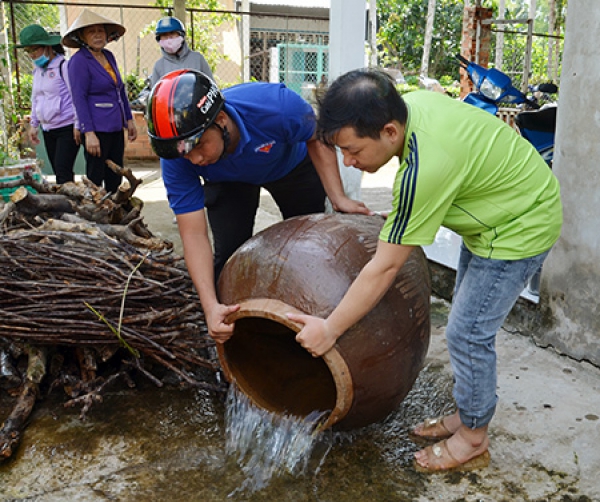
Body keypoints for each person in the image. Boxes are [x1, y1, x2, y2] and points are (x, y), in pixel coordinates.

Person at [287, 69, 563, 473]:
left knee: (468, 333)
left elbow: (385, 268)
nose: (348, 161)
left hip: (519, 225)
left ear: (389, 131)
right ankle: (468, 414)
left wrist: (329, 329)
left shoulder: (424, 166)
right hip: (501, 207)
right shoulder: (410, 105)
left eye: (352, 150)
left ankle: (472, 436)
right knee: (467, 324)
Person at [146, 69, 370, 342]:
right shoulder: (177, 156)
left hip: (290, 167)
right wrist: (209, 307)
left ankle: (315, 317)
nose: (193, 159)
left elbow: (316, 136)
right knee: (228, 254)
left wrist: (338, 197)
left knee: (308, 247)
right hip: (227, 180)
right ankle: (234, 330)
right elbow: (193, 234)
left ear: (220, 119)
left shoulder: (277, 106)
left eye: (199, 145)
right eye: (183, 152)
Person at [61, 9, 137, 193]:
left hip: (115, 126)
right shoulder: (79, 61)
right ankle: (97, 217)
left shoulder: (109, 56)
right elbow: (79, 97)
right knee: (96, 177)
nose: (97, 35)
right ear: (82, 36)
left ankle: (115, 215)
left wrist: (129, 119)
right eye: (91, 31)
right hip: (97, 128)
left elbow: (120, 89)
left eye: (100, 31)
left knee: (115, 175)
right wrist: (89, 133)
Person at [16, 24, 80, 184]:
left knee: (62, 170)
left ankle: (67, 207)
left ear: (47, 47)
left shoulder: (63, 66)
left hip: (67, 127)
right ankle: (69, 204)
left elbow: (76, 97)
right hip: (48, 129)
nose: (31, 55)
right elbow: (35, 98)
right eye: (28, 51)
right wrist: (34, 125)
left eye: (34, 49)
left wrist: (78, 125)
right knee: (58, 170)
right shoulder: (37, 71)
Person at [150, 16, 213, 87]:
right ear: (159, 39)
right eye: (164, 36)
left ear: (181, 35)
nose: (169, 40)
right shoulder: (159, 66)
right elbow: (156, 95)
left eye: (172, 34)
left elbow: (211, 85)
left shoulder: (197, 59)